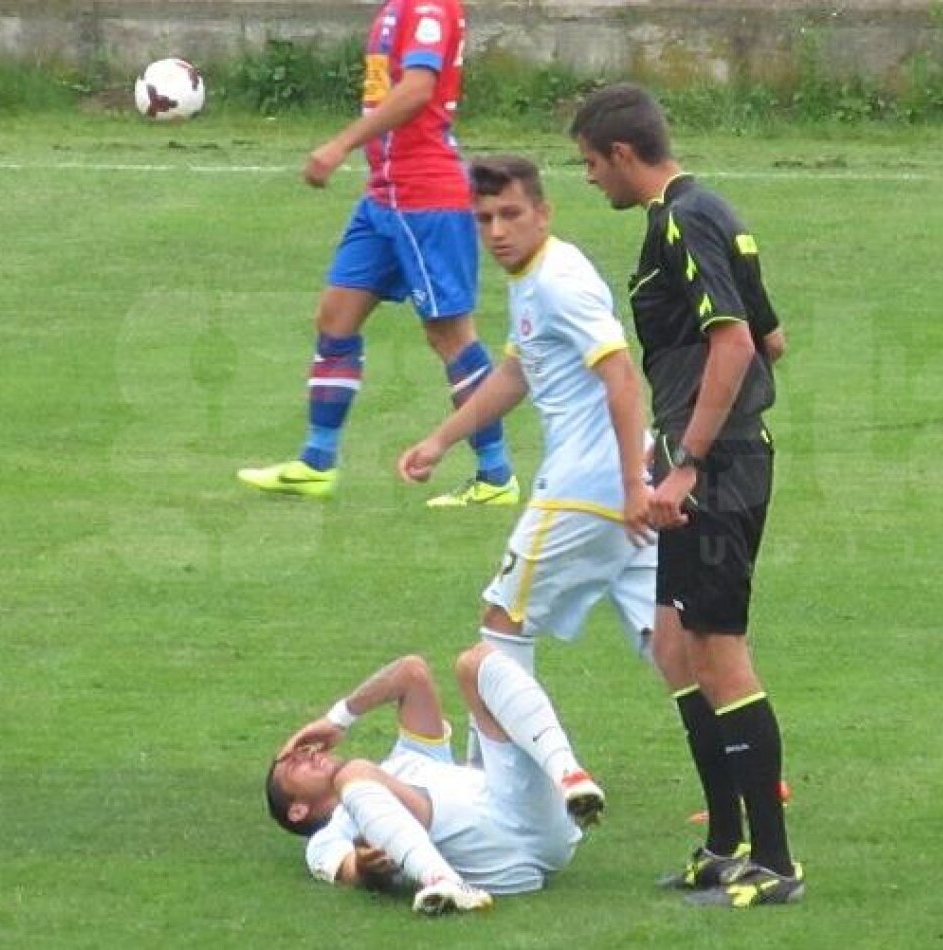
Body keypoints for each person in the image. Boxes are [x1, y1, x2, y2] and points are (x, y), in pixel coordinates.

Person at [569, 83, 802, 908]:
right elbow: (771, 333)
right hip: (712, 452)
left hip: (720, 463)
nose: (590, 178)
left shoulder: (681, 220)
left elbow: (737, 343)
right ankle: (725, 843)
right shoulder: (708, 212)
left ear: (624, 155)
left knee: (717, 648)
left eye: (591, 164)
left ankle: (773, 862)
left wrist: (690, 459)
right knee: (674, 645)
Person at [237, 0, 518, 507]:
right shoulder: (398, 6)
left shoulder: (430, 6)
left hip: (424, 197)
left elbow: (417, 90)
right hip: (383, 195)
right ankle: (316, 463)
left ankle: (496, 474)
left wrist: (339, 145)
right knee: (335, 317)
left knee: (449, 335)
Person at [396, 155, 655, 679]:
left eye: (510, 215)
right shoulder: (532, 276)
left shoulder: (559, 282)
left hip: (587, 487)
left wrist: (631, 486)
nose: (497, 232)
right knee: (673, 646)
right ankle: (743, 762)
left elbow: (622, 377)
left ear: (543, 213)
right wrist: (440, 440)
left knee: (501, 628)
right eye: (484, 218)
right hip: (622, 484)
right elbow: (517, 372)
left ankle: (512, 766)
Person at [266, 645, 605, 914]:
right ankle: (442, 881)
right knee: (353, 771)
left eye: (304, 750)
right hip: (492, 862)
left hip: (540, 819)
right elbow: (349, 870)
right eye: (294, 764)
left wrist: (338, 719)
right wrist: (368, 868)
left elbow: (411, 672)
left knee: (474, 662)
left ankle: (569, 775)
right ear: (297, 810)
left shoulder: (407, 758)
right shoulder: (327, 837)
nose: (308, 753)